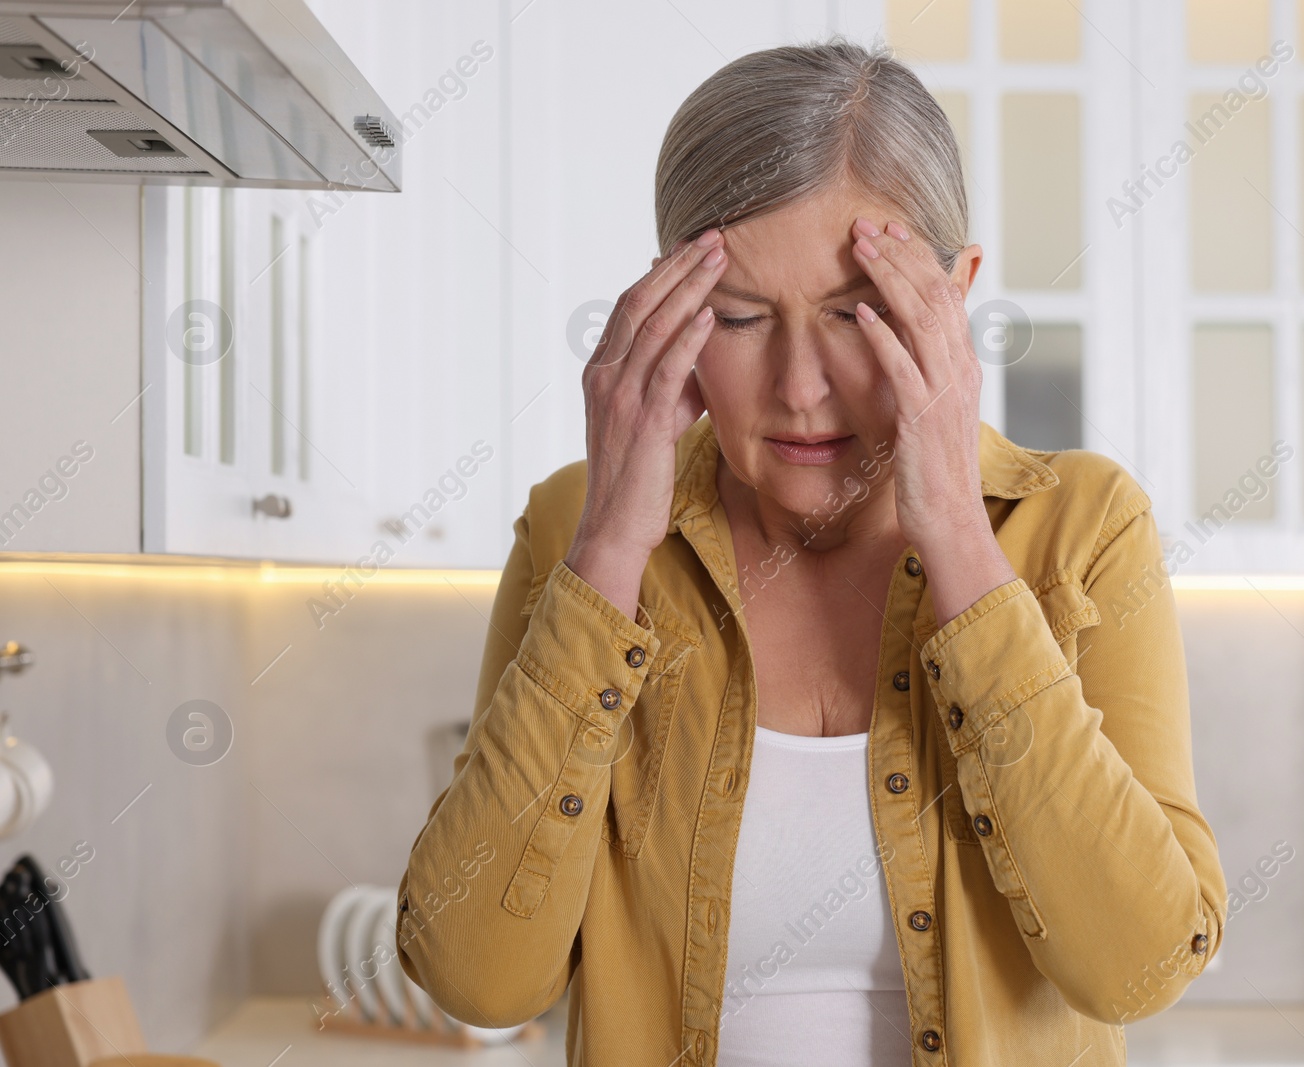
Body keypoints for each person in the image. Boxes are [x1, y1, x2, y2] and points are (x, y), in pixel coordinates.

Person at [396, 35, 1225, 1067]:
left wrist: (963, 546)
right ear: (670, 312)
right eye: (739, 318)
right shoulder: (578, 531)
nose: (799, 387)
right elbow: (477, 977)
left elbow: (1138, 968)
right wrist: (609, 551)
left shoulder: (1084, 527)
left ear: (953, 296)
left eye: (858, 313)